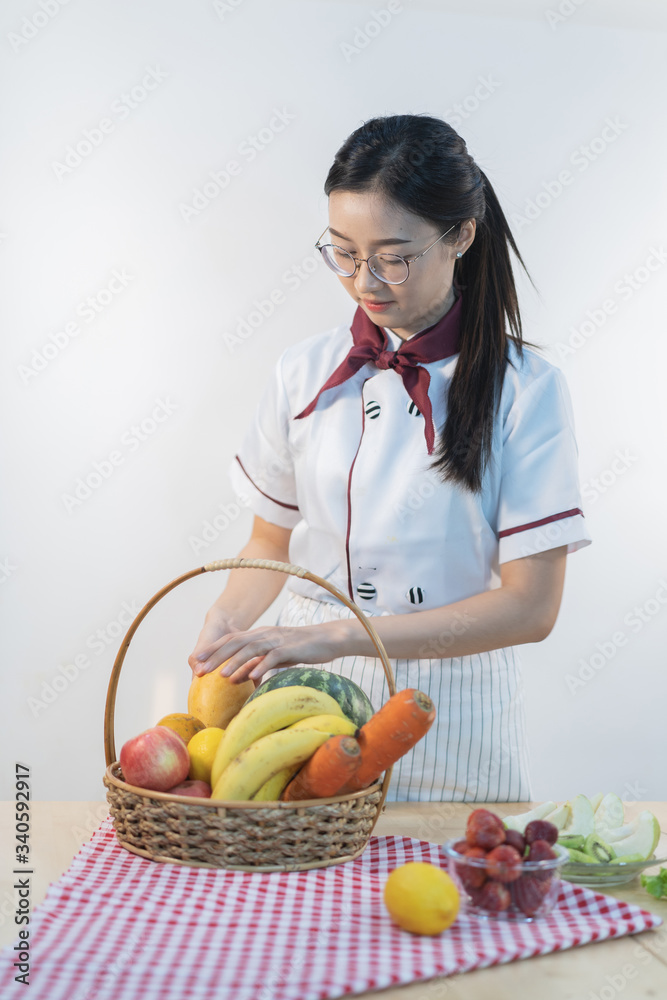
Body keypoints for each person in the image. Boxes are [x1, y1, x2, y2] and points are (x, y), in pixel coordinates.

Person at [188, 113, 592, 803]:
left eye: (392, 256)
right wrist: (226, 622)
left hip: (448, 712)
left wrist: (339, 635)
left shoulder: (527, 390)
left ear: (460, 235)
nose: (363, 281)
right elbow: (269, 545)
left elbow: (530, 608)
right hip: (300, 698)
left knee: (446, 874)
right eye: (343, 252)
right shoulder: (301, 371)